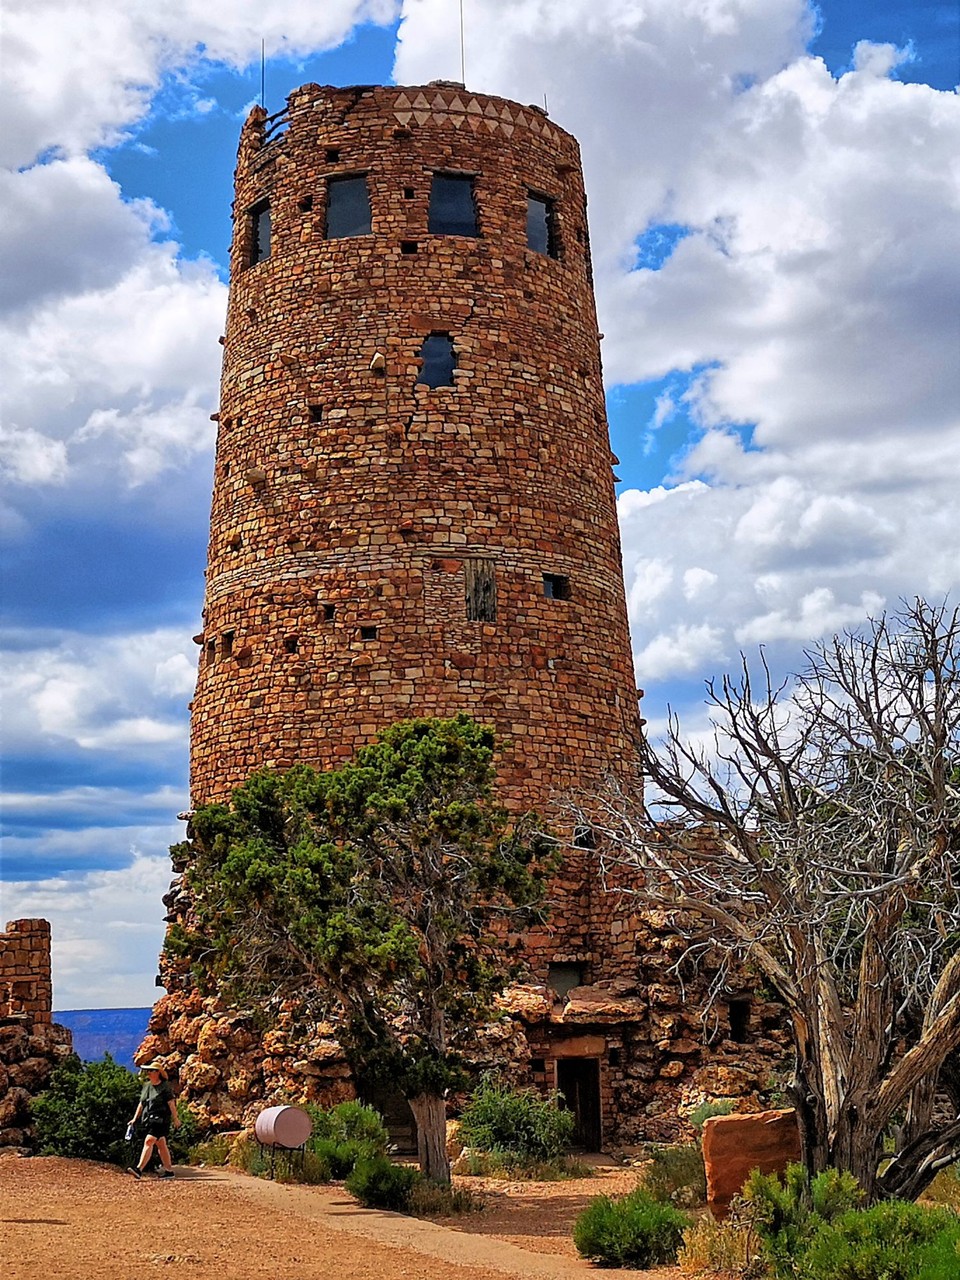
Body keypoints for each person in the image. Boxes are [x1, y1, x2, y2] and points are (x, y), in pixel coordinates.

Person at [127, 1059, 180, 1179]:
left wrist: (175, 1118)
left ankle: (139, 1169)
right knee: (161, 1144)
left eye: (151, 1071)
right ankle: (169, 1171)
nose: (148, 1073)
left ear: (158, 1072)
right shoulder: (147, 1086)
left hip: (161, 1119)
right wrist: (135, 1119)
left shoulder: (164, 1087)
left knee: (149, 1141)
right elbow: (141, 1104)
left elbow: (171, 1103)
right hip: (150, 1119)